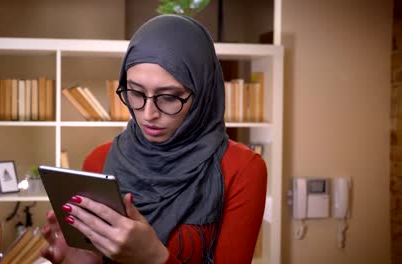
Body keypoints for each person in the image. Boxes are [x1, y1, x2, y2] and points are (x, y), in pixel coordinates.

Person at [41, 14, 267, 264]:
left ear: (203, 94)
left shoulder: (243, 169)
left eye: (169, 97)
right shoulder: (99, 160)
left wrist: (154, 257)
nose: (148, 114)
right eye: (136, 93)